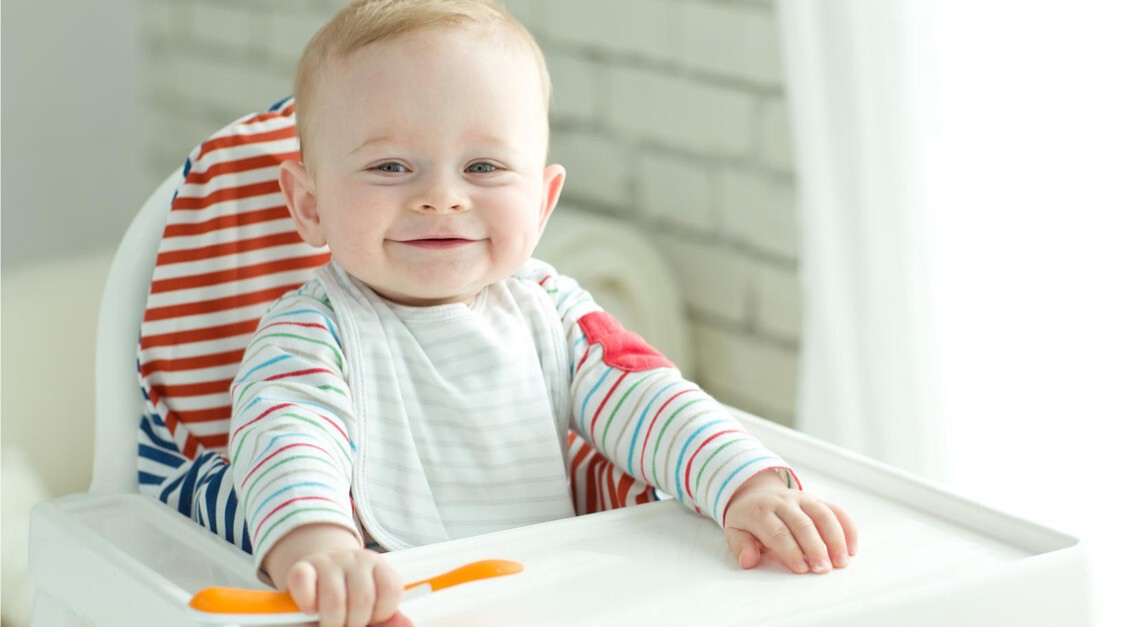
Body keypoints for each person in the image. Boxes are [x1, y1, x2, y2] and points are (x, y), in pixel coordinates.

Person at [229, 1, 858, 625]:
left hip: (554, 594)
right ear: (309, 205)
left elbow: (646, 394)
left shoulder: (550, 309)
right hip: (393, 601)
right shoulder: (309, 337)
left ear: (541, 201)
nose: (441, 197)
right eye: (390, 166)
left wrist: (745, 484)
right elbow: (286, 440)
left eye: (484, 166)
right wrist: (321, 551)